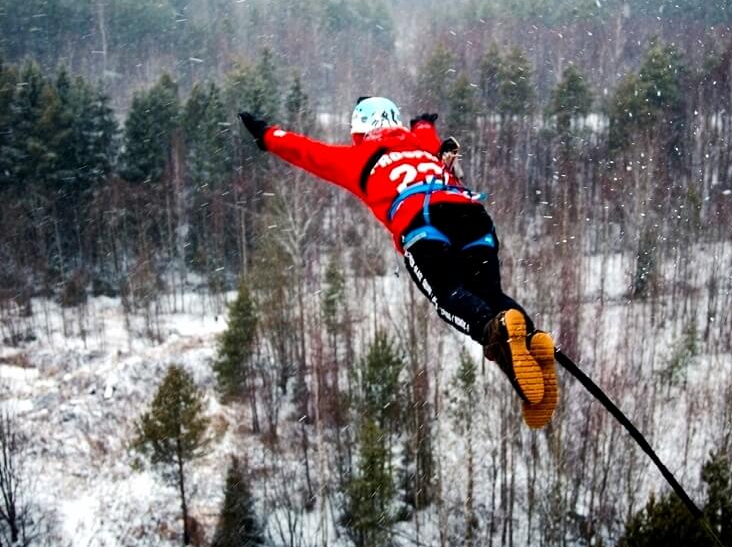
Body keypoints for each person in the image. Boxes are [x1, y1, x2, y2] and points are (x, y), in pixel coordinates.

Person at [238, 97, 557, 428]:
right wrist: (423, 125)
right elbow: (433, 142)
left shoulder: (358, 157)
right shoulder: (419, 145)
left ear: (361, 128)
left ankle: (500, 330)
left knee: (449, 296)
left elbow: (306, 151)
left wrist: (266, 135)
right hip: (472, 215)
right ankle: (534, 340)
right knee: (490, 295)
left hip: (423, 221)